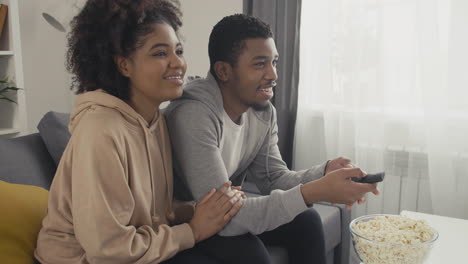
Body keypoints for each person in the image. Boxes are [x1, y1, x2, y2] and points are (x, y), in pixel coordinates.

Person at [34, 1, 243, 263]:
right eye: (159, 53)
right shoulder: (100, 131)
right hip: (85, 259)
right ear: (124, 65)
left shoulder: (155, 120)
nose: (177, 63)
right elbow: (107, 249)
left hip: (139, 246)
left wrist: (201, 210)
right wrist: (194, 230)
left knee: (242, 245)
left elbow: (153, 214)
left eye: (178, 50)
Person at [164, 14, 379, 264]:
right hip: (189, 219)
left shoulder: (262, 112)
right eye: (260, 64)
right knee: (251, 253)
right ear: (224, 71)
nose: (273, 74)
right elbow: (224, 216)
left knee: (306, 220)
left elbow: (273, 179)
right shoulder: (193, 114)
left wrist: (324, 173)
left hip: (223, 214)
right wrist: (314, 191)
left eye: (274, 62)